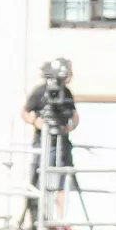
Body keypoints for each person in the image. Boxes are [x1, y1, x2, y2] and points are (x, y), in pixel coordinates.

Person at [21, 59, 78, 221]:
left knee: (63, 181)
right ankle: (37, 218)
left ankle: (61, 220)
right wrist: (36, 121)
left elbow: (74, 116)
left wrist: (69, 127)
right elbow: (24, 112)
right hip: (44, 143)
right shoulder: (40, 92)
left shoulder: (67, 93)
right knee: (38, 180)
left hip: (62, 145)